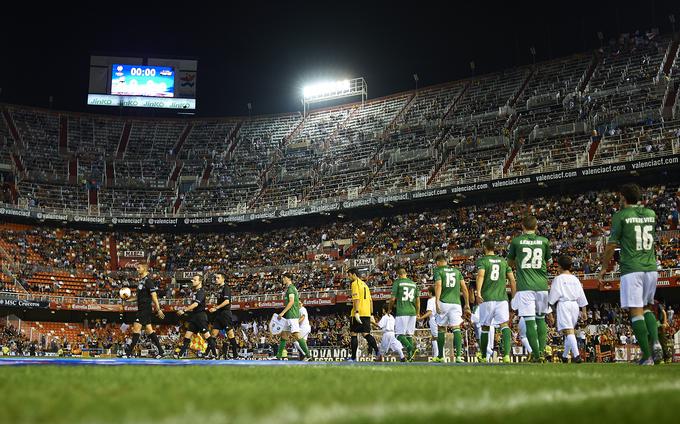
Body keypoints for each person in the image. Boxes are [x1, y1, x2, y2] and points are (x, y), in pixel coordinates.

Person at [598, 183, 661, 365]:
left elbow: (611, 245)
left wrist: (604, 267)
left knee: (636, 311)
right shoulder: (651, 214)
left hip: (632, 268)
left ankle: (647, 356)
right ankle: (655, 343)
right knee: (648, 307)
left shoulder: (621, 216)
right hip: (651, 267)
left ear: (623, 198)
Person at [508, 215, 552, 362]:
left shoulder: (516, 242)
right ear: (536, 227)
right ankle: (542, 351)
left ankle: (536, 354)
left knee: (529, 321)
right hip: (542, 285)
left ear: (522, 227)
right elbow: (549, 261)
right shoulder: (545, 241)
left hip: (525, 285)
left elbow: (510, 262)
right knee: (541, 319)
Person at [476, 238, 517, 363]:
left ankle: (483, 356)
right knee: (504, 325)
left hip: (487, 298)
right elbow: (512, 280)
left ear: (484, 247)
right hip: (502, 299)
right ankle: (506, 356)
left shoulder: (483, 261)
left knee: (485, 327)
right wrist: (514, 297)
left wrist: (478, 292)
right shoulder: (503, 261)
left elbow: (481, 275)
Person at [548, 255, 588, 363]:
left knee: (569, 331)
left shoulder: (558, 278)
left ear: (560, 267)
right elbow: (582, 296)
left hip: (564, 304)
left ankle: (577, 356)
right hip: (575, 305)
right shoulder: (575, 279)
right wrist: (584, 311)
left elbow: (552, 297)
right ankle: (565, 356)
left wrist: (549, 306)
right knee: (569, 332)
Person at [121, 262, 165, 358]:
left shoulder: (148, 281)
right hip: (142, 309)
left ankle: (128, 353)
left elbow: (154, 296)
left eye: (139, 268)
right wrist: (127, 299)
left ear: (144, 269)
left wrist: (158, 309)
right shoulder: (141, 281)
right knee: (149, 331)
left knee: (136, 328)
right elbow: (137, 297)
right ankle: (161, 352)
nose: (137, 269)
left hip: (145, 309)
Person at [432, 254, 470, 363]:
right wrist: (466, 304)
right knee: (456, 328)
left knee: (441, 329)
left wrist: (437, 301)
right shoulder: (457, 272)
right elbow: (464, 288)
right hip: (456, 303)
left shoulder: (438, 271)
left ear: (438, 262)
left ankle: (440, 356)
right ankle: (458, 356)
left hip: (444, 302)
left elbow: (438, 286)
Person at [175, 274, 215, 359]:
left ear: (200, 281)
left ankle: (214, 354)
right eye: (192, 279)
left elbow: (196, 304)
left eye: (194, 280)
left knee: (207, 336)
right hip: (194, 317)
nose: (192, 281)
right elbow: (193, 306)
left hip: (200, 317)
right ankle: (180, 355)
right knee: (187, 336)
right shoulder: (195, 291)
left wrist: (184, 310)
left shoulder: (201, 292)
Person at [275, 273, 311, 361]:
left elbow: (291, 302)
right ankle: (279, 356)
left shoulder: (291, 289)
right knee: (284, 335)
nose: (283, 279)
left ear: (289, 278)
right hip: (289, 316)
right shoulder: (290, 289)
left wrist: (282, 312)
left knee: (296, 335)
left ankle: (308, 355)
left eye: (284, 277)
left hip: (292, 316)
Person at [389, 265, 420, 362]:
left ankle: (411, 348)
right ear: (405, 273)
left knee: (398, 335)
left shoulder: (398, 282)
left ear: (398, 275)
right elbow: (418, 300)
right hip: (412, 312)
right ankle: (410, 357)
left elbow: (392, 298)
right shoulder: (413, 284)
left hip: (402, 311)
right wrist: (417, 312)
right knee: (409, 335)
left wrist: (389, 309)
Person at [347, 268, 379, 361]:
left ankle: (353, 358)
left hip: (358, 312)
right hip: (367, 312)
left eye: (349, 275)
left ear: (354, 274)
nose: (348, 277)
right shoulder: (365, 285)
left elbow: (356, 298)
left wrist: (356, 311)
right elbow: (370, 301)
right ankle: (377, 351)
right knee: (366, 334)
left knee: (353, 334)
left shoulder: (354, 284)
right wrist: (371, 314)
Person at [208, 272, 239, 360]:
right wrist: (215, 307)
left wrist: (216, 307)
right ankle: (211, 354)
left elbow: (227, 301)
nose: (216, 279)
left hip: (225, 313)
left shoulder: (226, 288)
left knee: (230, 334)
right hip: (219, 314)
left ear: (223, 279)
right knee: (213, 334)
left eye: (218, 278)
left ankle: (235, 355)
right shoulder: (219, 288)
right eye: (216, 278)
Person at [418, 286, 439, 358]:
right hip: (440, 319)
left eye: (427, 292)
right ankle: (439, 354)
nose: (427, 293)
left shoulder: (430, 300)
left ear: (430, 292)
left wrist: (421, 318)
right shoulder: (438, 299)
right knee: (438, 336)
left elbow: (429, 312)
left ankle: (437, 356)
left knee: (435, 337)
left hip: (433, 319)